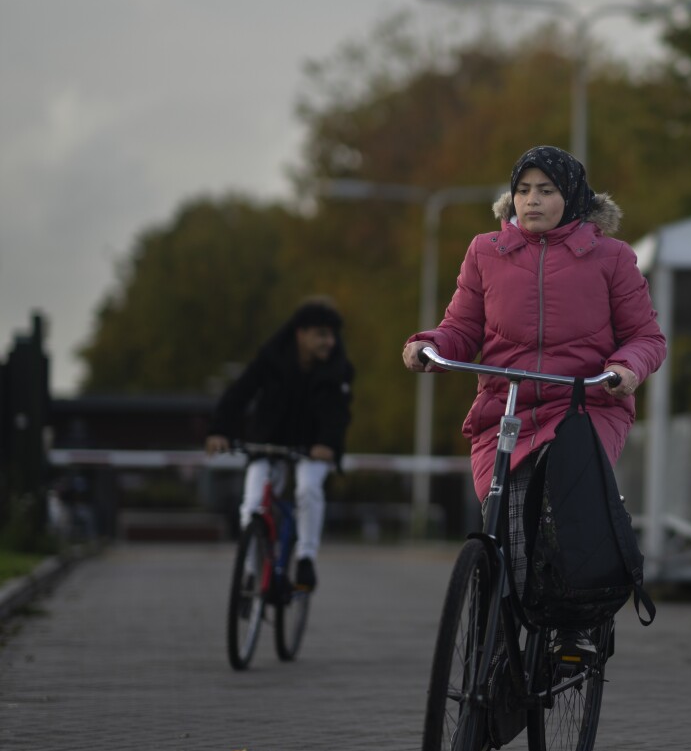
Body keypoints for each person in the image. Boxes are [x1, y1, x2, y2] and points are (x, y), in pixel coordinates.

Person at [401, 145, 666, 660]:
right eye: (524, 190)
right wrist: (430, 346)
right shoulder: (485, 251)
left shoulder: (613, 258)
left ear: (571, 197)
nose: (532, 201)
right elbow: (462, 328)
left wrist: (624, 369)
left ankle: (573, 625)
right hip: (507, 407)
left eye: (546, 191)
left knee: (564, 503)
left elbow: (646, 337)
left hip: (586, 405)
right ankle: (500, 643)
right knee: (509, 527)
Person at [206, 299, 354, 592]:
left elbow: (339, 414)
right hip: (269, 443)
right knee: (251, 504)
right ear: (301, 334)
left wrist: (326, 443)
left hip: (313, 446)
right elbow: (240, 392)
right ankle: (249, 573)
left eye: (332, 335)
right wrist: (219, 430)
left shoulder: (339, 370)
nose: (329, 342)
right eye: (321, 334)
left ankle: (306, 559)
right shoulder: (271, 358)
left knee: (308, 488)